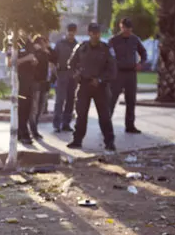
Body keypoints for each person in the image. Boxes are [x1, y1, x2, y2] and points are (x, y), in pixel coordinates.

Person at [67, 23, 116, 152]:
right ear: (89, 33)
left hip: (100, 87)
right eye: (93, 33)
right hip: (84, 85)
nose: (96, 36)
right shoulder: (81, 47)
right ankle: (77, 140)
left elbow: (112, 70)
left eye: (98, 33)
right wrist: (76, 73)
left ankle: (109, 142)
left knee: (104, 116)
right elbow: (70, 64)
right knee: (81, 114)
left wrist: (100, 79)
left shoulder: (105, 49)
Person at [109, 17, 148, 133]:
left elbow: (143, 52)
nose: (126, 31)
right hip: (117, 74)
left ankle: (130, 126)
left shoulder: (135, 39)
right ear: (121, 27)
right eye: (124, 28)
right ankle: (106, 123)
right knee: (112, 99)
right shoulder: (113, 40)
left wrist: (141, 63)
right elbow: (109, 55)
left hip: (131, 73)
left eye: (128, 29)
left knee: (131, 100)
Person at [8, 30, 39, 145]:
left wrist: (33, 60)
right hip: (18, 81)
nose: (25, 32)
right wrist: (26, 58)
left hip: (29, 81)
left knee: (27, 108)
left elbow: (33, 57)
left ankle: (22, 132)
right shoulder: (13, 43)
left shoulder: (29, 44)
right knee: (20, 107)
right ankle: (22, 132)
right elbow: (10, 62)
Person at [53, 23, 79, 133]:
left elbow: (80, 61)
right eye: (69, 31)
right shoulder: (60, 44)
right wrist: (55, 74)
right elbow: (53, 59)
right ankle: (57, 124)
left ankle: (66, 123)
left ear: (75, 32)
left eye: (73, 32)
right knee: (60, 100)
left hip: (73, 76)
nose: (71, 34)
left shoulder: (78, 45)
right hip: (62, 74)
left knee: (70, 100)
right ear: (66, 31)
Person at [29, 35, 55, 140]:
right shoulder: (36, 53)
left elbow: (54, 57)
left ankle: (35, 128)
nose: (45, 44)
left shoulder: (47, 53)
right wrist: (39, 50)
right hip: (36, 83)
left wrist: (47, 49)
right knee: (34, 108)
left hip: (45, 83)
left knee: (41, 108)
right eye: (43, 42)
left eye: (46, 42)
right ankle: (33, 130)